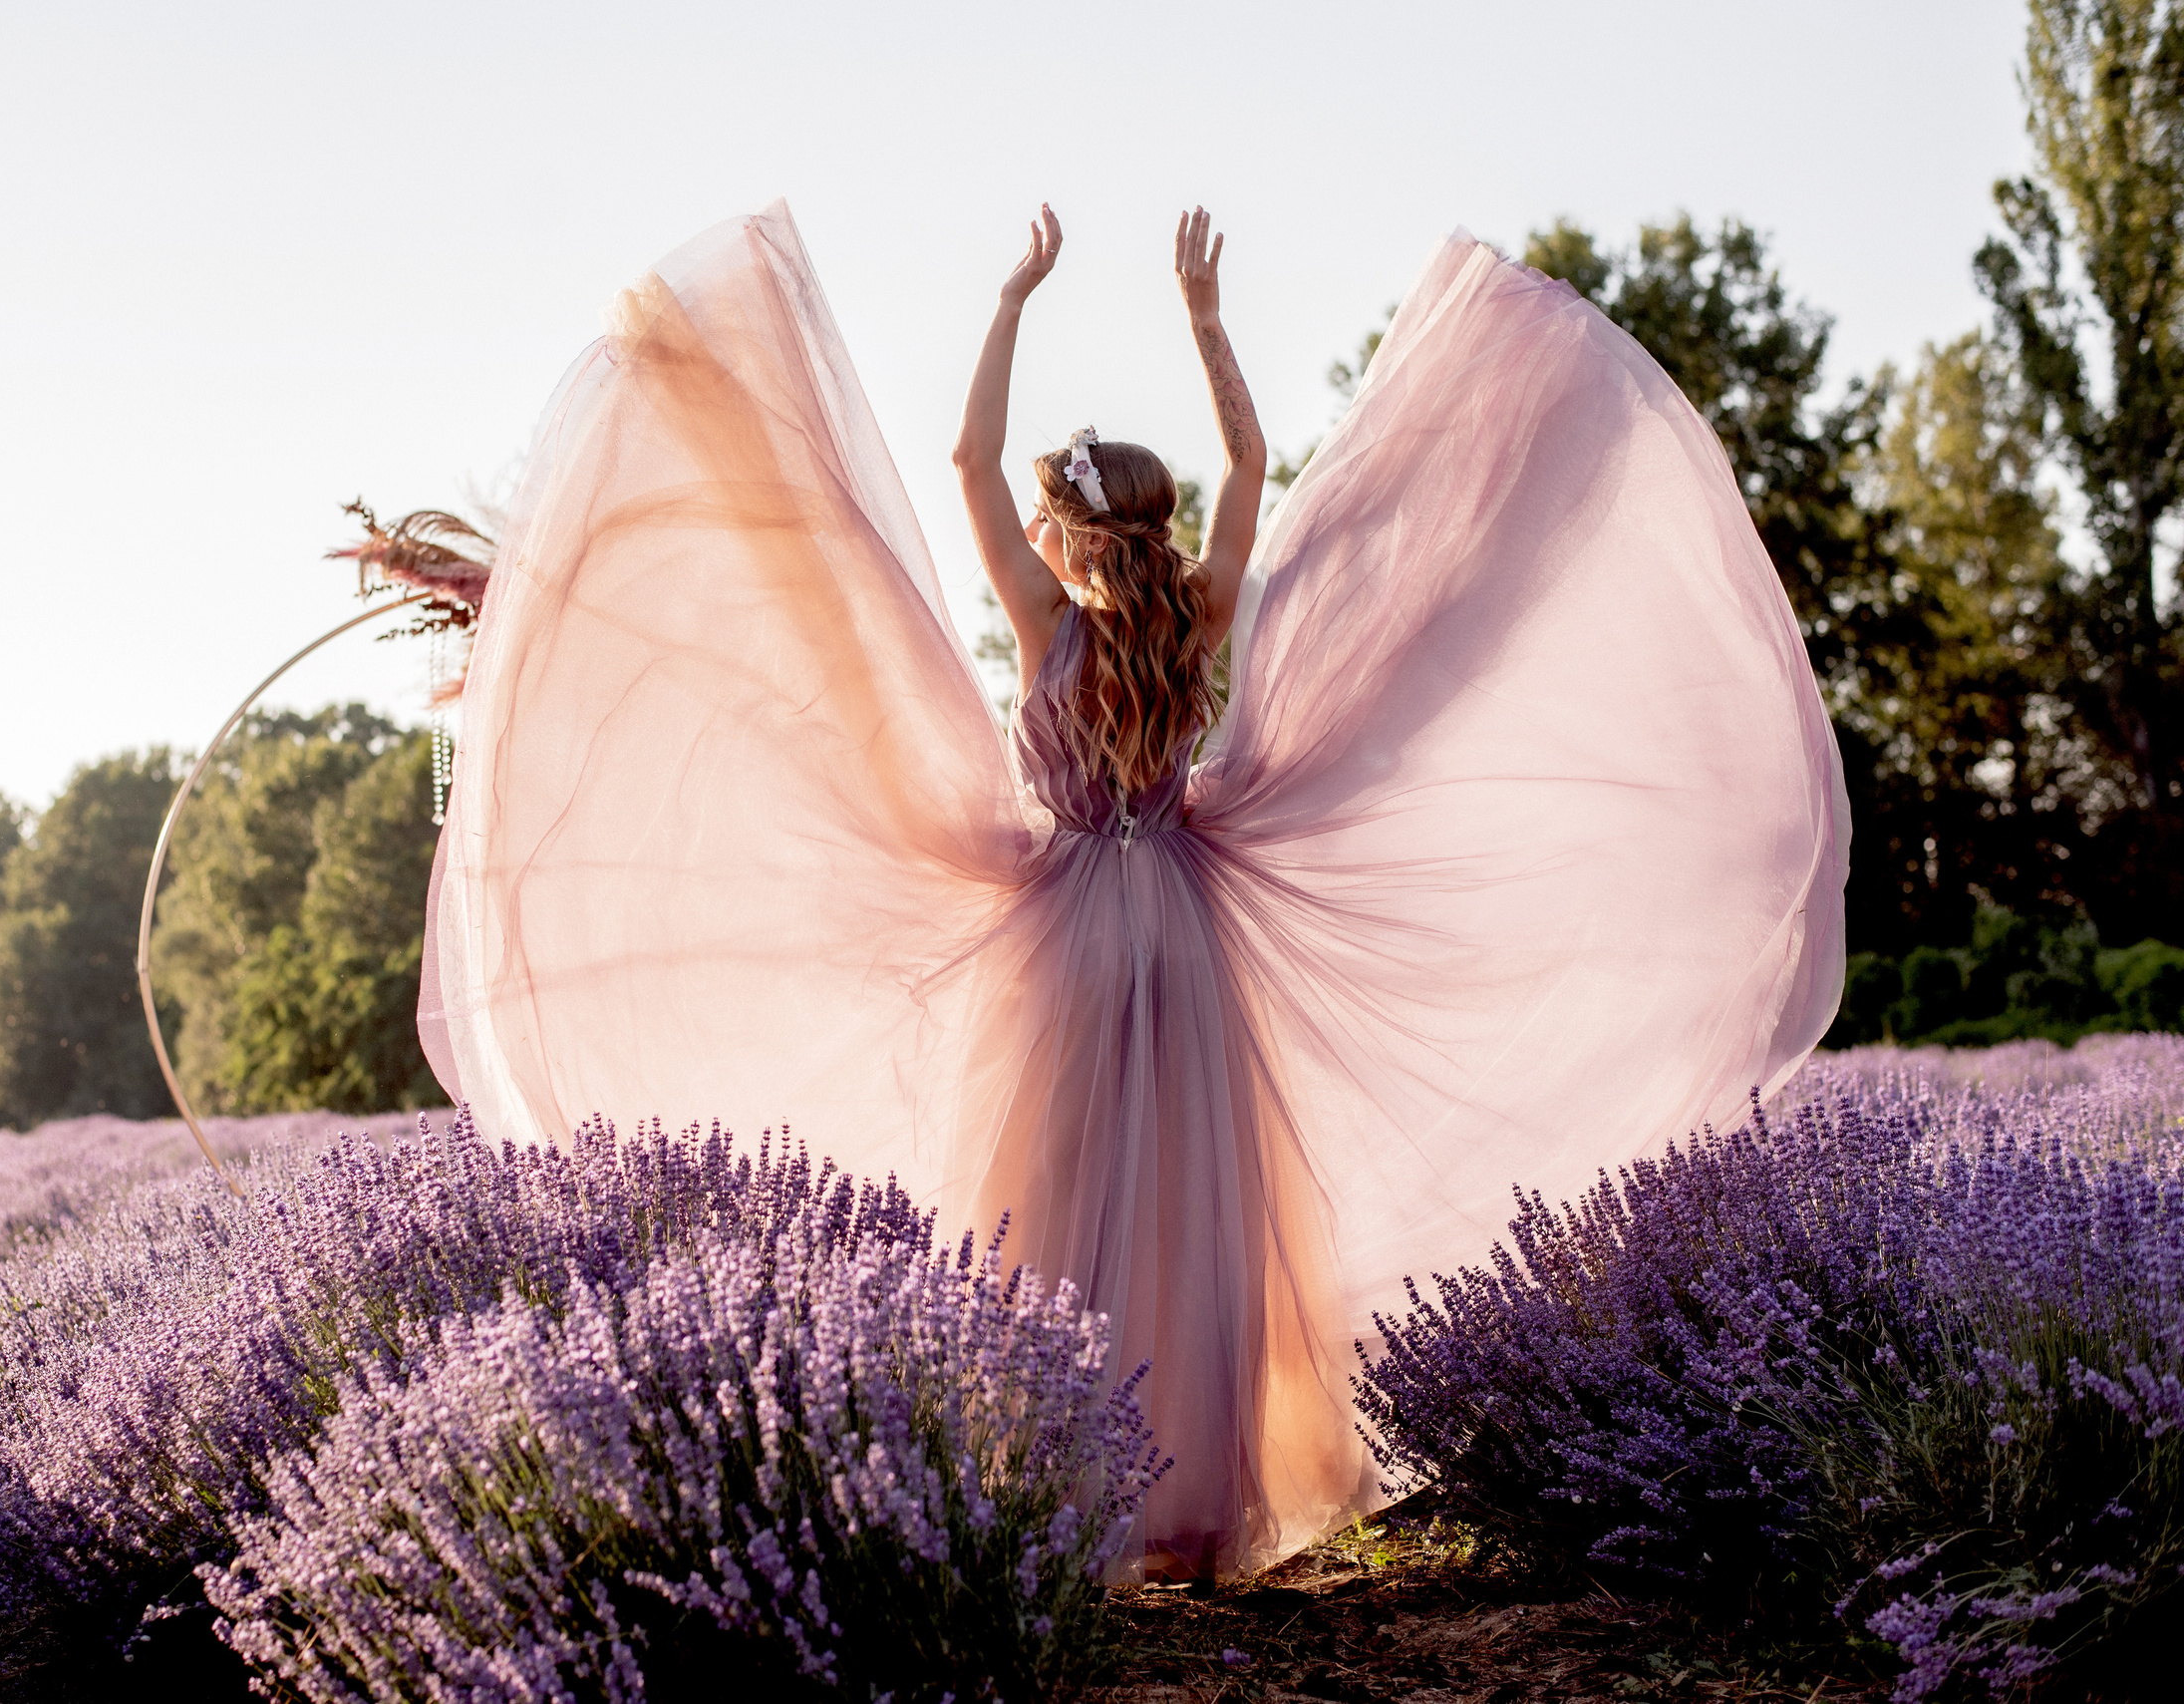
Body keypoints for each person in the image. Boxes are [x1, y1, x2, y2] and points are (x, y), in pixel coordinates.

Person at [416, 199, 1847, 1578]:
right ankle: (1194, 1491)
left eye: (1043, 513)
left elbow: (968, 462)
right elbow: (1250, 460)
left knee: (1055, 1200)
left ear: (1063, 530)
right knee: (1194, 1198)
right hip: (1186, 919)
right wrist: (1208, 320)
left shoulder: (1047, 623)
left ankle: (1064, 1476)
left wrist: (1010, 300)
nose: (1026, 523)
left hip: (1069, 932)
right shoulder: (1190, 612)